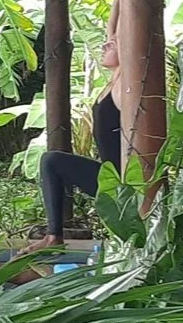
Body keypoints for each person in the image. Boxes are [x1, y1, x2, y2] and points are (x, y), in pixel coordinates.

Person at [26, 29, 122, 251]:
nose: (105, 45)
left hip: (123, 180)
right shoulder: (112, 82)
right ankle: (53, 236)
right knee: (51, 161)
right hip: (109, 175)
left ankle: (53, 237)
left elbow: (129, 29)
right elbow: (115, 24)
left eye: (113, 44)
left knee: (52, 160)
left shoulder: (125, 86)